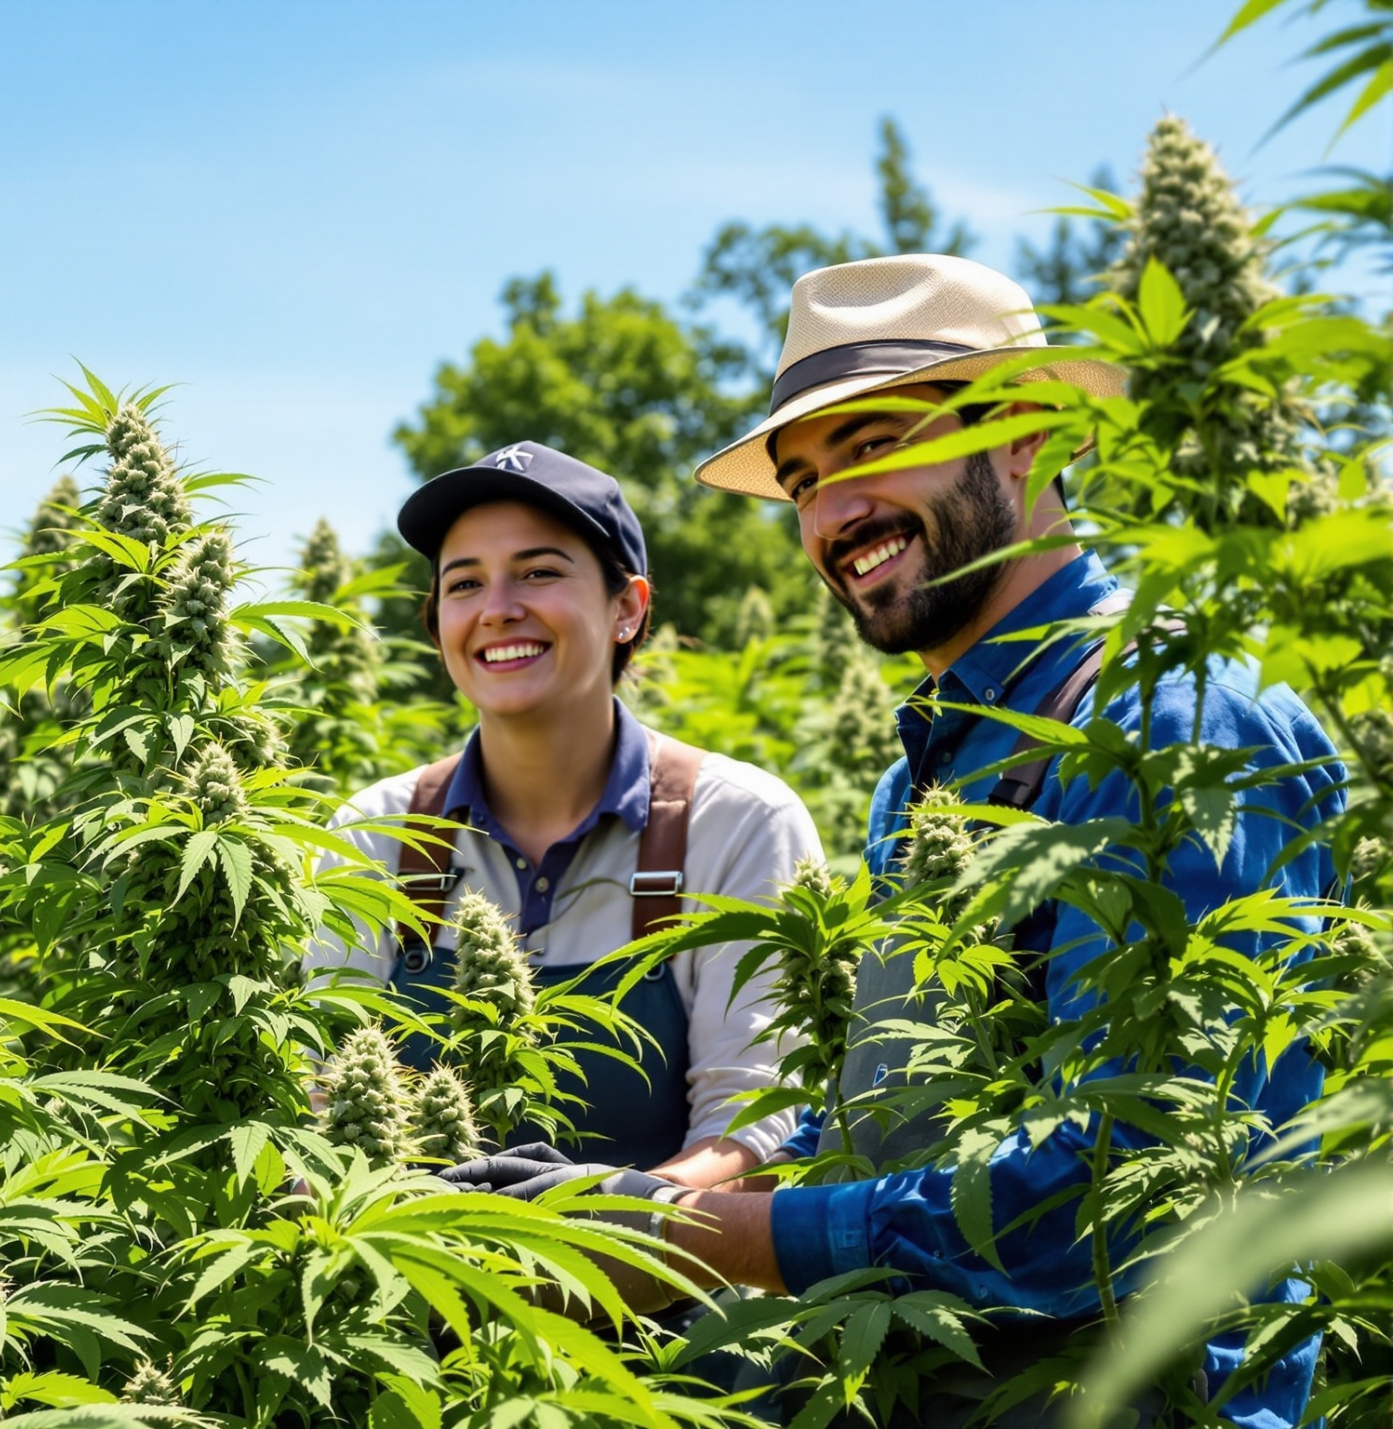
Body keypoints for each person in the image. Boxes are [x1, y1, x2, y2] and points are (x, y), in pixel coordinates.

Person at [441, 255, 1341, 1429]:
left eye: (870, 449)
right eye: (805, 481)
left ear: (1025, 428)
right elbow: (891, 1107)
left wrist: (707, 1238)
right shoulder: (913, 780)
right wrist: (645, 1197)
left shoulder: (1172, 718)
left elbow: (1139, 1191)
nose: (830, 516)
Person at [307, 441, 823, 1188]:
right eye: (464, 583)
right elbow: (317, 1104)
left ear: (627, 608)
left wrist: (590, 1235)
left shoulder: (737, 822)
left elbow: (757, 1127)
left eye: (539, 572)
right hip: (403, 1289)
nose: (497, 608)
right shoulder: (375, 831)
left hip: (664, 1291)